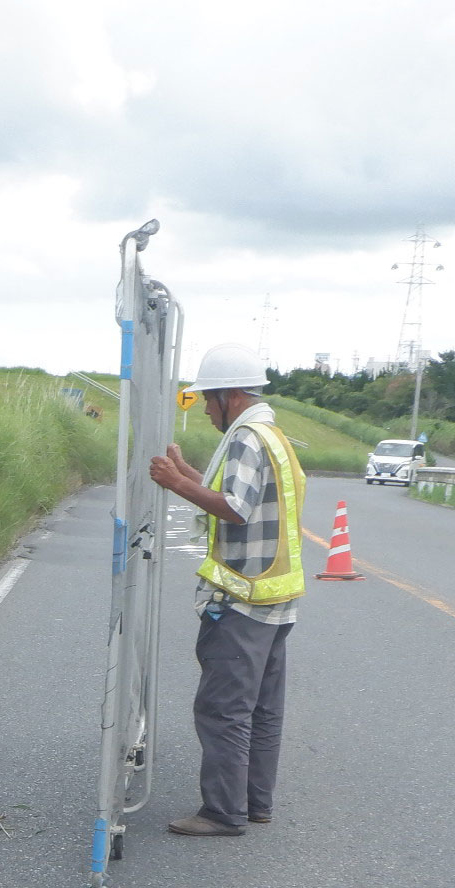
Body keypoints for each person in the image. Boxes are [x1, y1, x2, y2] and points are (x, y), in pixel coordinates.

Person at [147, 342, 307, 836]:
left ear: (229, 395)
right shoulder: (271, 434)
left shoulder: (245, 438)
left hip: (243, 599)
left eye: (208, 400)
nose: (208, 411)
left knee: (223, 710)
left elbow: (233, 507)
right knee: (261, 710)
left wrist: (175, 484)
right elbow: (240, 496)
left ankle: (222, 812)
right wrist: (189, 475)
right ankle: (255, 803)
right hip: (275, 600)